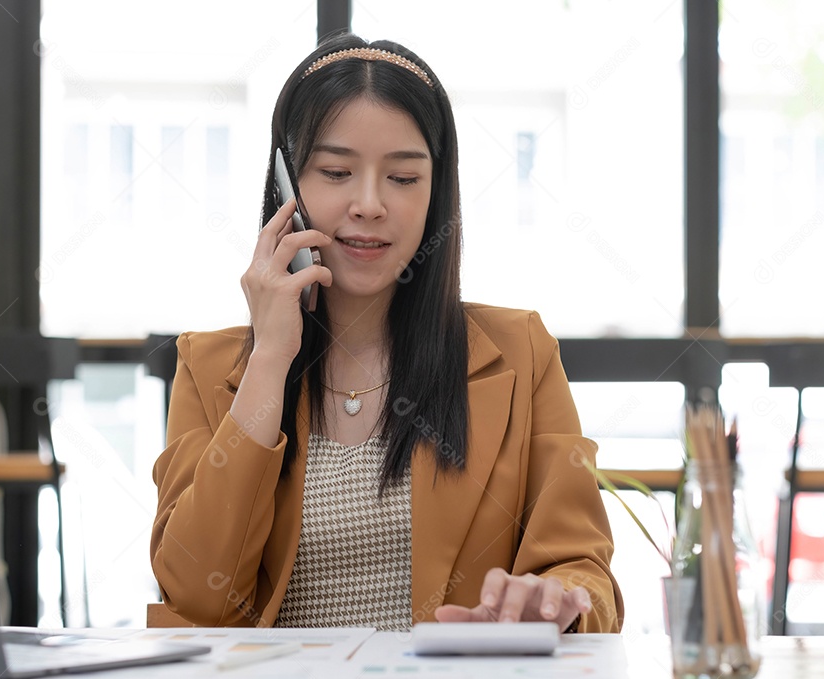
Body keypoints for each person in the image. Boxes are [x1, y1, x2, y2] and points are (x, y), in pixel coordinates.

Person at [150, 33, 623, 633]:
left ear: (436, 193)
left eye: (403, 178)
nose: (369, 204)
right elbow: (196, 598)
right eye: (336, 171)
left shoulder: (520, 352)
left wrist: (555, 605)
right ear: (286, 187)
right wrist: (271, 356)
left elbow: (584, 571)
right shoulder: (209, 366)